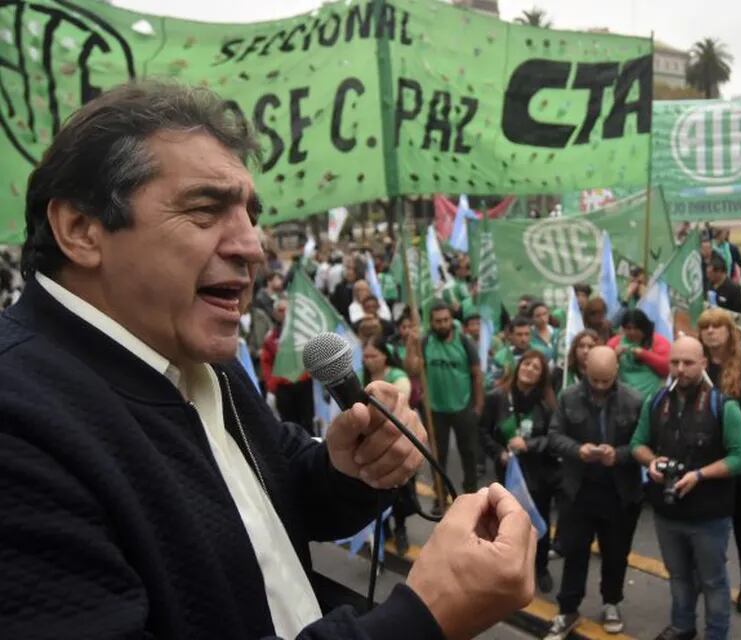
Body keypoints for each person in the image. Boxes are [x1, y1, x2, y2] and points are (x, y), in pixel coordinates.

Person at [0, 82, 535, 639]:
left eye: (250, 215)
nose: (253, 246)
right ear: (82, 230)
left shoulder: (204, 362)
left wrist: (346, 469)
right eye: (206, 211)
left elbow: (276, 496)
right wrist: (422, 620)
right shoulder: (17, 422)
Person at [631, 336, 741, 640]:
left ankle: (716, 634)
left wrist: (700, 475)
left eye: (688, 363)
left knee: (713, 582)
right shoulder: (656, 401)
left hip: (709, 516)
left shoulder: (723, 406)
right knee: (678, 577)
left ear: (703, 363)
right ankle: (682, 626)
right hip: (667, 512)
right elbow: (637, 444)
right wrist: (652, 462)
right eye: (675, 362)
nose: (680, 369)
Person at [545, 347, 644, 639]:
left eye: (606, 381)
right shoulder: (568, 396)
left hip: (619, 492)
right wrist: (579, 450)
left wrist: (621, 454)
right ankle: (568, 610)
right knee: (574, 552)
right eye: (595, 380)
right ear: (585, 370)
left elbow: (645, 443)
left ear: (616, 372)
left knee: (616, 554)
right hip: (579, 490)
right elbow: (554, 436)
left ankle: (611, 602)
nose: (600, 387)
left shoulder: (635, 400)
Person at [696, 309, 741, 613]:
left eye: (717, 326)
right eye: (705, 327)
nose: (711, 332)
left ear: (729, 330)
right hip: (701, 455)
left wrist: (740, 445)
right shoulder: (697, 364)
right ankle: (709, 577)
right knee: (707, 521)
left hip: (734, 456)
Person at [480, 350, 561, 593]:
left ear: (541, 375)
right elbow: (483, 431)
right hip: (509, 473)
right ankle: (508, 566)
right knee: (507, 520)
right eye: (527, 364)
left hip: (539, 474)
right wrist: (498, 453)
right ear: (518, 366)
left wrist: (530, 445)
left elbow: (554, 438)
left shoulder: (547, 404)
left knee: (538, 520)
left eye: (536, 367)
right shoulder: (497, 397)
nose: (530, 369)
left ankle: (540, 566)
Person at [405, 300, 484, 494]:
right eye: (438, 321)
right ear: (431, 322)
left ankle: (471, 493)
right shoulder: (425, 342)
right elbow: (412, 370)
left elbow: (477, 375)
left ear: (452, 320)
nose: (443, 324)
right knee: (438, 457)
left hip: (463, 407)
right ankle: (440, 495)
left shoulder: (465, 342)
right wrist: (410, 344)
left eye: (446, 320)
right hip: (434, 410)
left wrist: (478, 406)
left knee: (469, 454)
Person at [361, 334, 415, 555]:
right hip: (371, 445)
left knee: (399, 492)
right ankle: (384, 531)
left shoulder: (398, 377)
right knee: (377, 493)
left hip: (397, 443)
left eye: (373, 355)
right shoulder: (360, 376)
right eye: (365, 356)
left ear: (385, 356)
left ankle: (400, 530)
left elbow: (397, 403)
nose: (368, 360)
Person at [260, 298, 316, 435]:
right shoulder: (270, 337)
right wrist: (272, 384)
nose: (283, 313)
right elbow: (266, 362)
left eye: (286, 310)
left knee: (308, 422)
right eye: (280, 310)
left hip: (303, 382)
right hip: (283, 387)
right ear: (274, 313)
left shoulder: (302, 333)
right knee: (289, 424)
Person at [608, 308, 671, 400]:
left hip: (652, 398)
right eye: (628, 328)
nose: (632, 332)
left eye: (636, 328)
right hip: (624, 398)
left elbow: (668, 368)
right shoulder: (614, 343)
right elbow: (603, 368)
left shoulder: (659, 342)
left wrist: (645, 355)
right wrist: (614, 356)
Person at [491, 315, 533, 385]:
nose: (523, 339)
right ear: (511, 336)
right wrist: (506, 376)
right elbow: (494, 384)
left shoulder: (541, 353)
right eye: (519, 335)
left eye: (527, 334)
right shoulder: (500, 357)